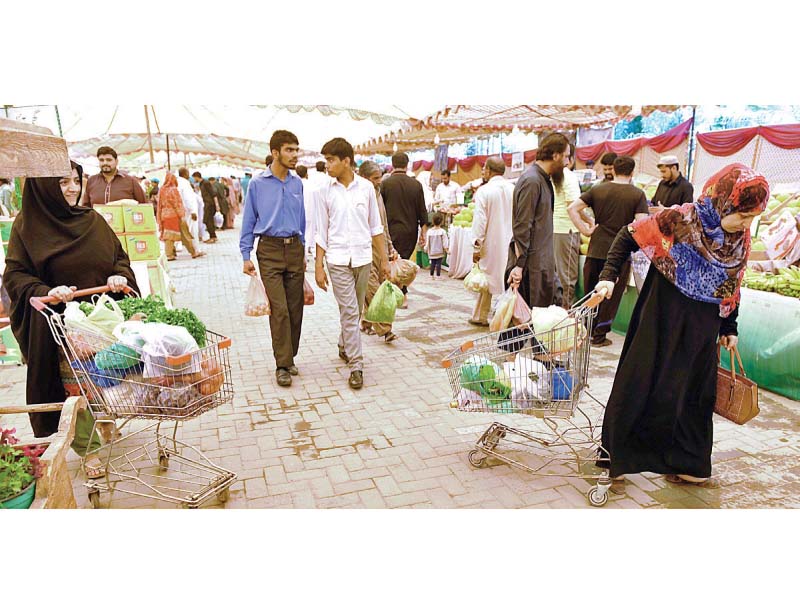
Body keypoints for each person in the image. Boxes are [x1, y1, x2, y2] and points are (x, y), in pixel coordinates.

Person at [593, 164, 769, 493]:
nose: (745, 226)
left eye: (751, 220)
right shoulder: (681, 219)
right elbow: (628, 236)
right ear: (724, 203)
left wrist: (730, 325)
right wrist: (607, 276)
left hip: (704, 323)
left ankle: (691, 464)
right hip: (662, 312)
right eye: (742, 217)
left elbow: (732, 285)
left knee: (694, 393)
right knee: (641, 379)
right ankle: (618, 456)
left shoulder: (738, 240)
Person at [2, 161, 140, 479]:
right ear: (44, 186)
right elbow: (16, 276)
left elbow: (120, 257)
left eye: (76, 181)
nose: (72, 188)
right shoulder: (27, 227)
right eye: (63, 182)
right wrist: (47, 290)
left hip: (100, 318)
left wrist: (119, 276)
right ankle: (88, 451)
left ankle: (104, 420)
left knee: (102, 376)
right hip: (59, 325)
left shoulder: (91, 220)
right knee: (73, 388)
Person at [314, 138, 389, 390]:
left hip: (363, 259)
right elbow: (320, 231)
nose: (328, 165)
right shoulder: (324, 191)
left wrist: (385, 261)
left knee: (355, 312)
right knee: (349, 311)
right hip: (336, 260)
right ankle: (356, 365)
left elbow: (376, 227)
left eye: (331, 160)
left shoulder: (367, 188)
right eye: (326, 160)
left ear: (346, 161)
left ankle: (344, 343)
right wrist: (318, 265)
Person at [240, 130, 307, 388]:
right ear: (275, 152)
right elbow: (248, 221)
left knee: (295, 308)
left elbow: (302, 219)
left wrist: (303, 250)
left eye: (296, 150)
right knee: (278, 309)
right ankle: (282, 364)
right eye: (289, 150)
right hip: (268, 250)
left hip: (294, 249)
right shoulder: (258, 184)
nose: (295, 155)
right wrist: (246, 255)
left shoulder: (296, 183)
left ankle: (290, 356)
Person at [568, 155, 649, 346]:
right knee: (610, 298)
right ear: (632, 172)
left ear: (613, 170)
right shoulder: (637, 194)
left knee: (591, 292)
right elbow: (641, 224)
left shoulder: (598, 189)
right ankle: (599, 335)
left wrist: (585, 229)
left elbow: (573, 208)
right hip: (619, 254)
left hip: (595, 248)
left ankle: (585, 332)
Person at [507, 133, 570, 308]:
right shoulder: (532, 181)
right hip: (530, 269)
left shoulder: (542, 179)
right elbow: (522, 226)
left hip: (541, 265)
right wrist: (519, 266)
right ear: (555, 155)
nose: (567, 162)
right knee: (521, 326)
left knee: (538, 324)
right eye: (565, 156)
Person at [357, 161, 399, 343]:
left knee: (378, 284)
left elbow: (383, 224)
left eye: (379, 178)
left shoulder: (378, 194)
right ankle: (385, 329)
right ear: (364, 178)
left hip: (379, 247)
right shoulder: (358, 195)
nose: (378, 182)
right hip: (363, 247)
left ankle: (367, 321)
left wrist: (389, 247)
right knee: (372, 287)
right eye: (375, 179)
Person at [380, 151, 428, 308]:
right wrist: (424, 232)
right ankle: (401, 293)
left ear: (392, 164)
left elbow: (380, 210)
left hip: (390, 230)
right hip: (410, 231)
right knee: (403, 261)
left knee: (392, 261)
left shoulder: (385, 184)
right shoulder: (416, 184)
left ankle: (395, 293)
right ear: (407, 165)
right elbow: (422, 211)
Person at [470, 156, 514, 325]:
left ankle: (491, 316)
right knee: (506, 279)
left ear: (489, 170)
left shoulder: (484, 191)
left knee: (487, 278)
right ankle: (489, 315)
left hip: (491, 242)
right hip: (510, 242)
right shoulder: (513, 189)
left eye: (484, 168)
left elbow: (480, 221)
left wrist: (476, 245)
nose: (483, 171)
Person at [552, 146, 583, 309]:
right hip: (567, 229)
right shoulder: (568, 176)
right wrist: (587, 225)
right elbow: (573, 205)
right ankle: (565, 314)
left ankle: (556, 312)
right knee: (567, 276)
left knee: (557, 274)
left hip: (555, 228)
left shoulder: (552, 176)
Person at [157, 173, 203, 261]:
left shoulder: (162, 190)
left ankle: (170, 254)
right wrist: (182, 215)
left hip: (164, 215)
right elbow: (177, 204)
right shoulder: (173, 190)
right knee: (185, 234)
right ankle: (193, 252)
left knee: (168, 235)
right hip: (174, 215)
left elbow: (159, 204)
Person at [83, 146, 148, 206]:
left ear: (116, 162)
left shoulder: (130, 181)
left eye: (109, 160)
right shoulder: (91, 181)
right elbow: (86, 207)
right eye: (101, 160)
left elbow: (144, 205)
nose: (105, 163)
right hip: (97, 218)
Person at [177, 168, 205, 256]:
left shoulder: (179, 182)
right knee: (192, 231)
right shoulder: (184, 183)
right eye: (188, 173)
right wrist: (192, 211)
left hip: (185, 210)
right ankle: (195, 250)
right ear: (185, 173)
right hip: (189, 211)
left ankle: (194, 249)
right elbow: (187, 198)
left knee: (188, 230)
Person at [193, 172, 218, 243]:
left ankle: (213, 237)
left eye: (194, 177)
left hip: (210, 204)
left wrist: (217, 205)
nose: (194, 179)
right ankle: (213, 236)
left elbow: (213, 193)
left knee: (208, 220)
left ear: (197, 177)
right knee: (207, 220)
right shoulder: (201, 184)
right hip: (206, 204)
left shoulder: (206, 183)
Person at [426, 213, 449, 279]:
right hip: (440, 251)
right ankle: (438, 275)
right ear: (441, 222)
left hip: (432, 251)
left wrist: (426, 248)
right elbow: (445, 241)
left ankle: (431, 275)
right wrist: (446, 249)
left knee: (432, 263)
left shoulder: (429, 231)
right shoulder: (442, 231)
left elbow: (427, 241)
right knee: (439, 264)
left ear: (433, 221)